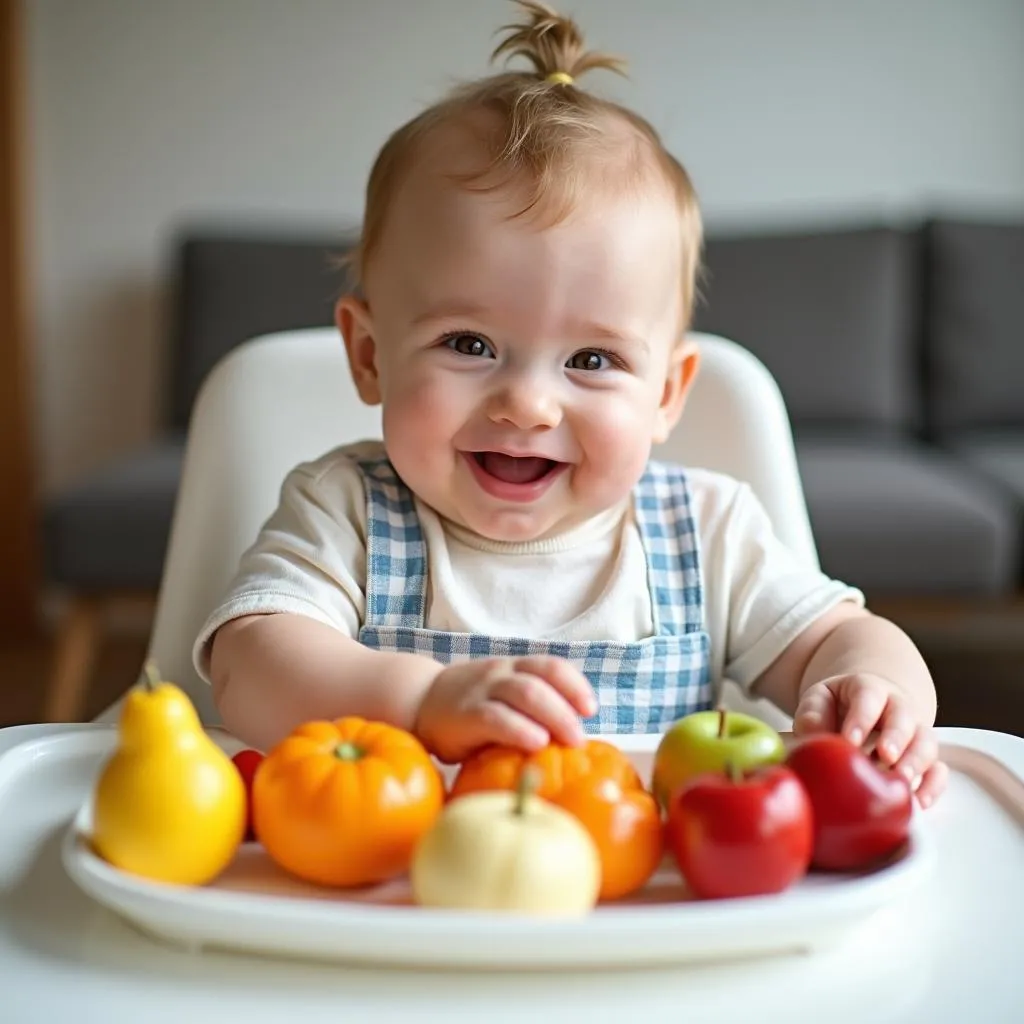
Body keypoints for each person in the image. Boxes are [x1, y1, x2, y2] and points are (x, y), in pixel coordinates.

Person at [193, 0, 946, 806]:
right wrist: (417, 705)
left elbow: (838, 635)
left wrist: (876, 689)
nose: (527, 405)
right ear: (370, 354)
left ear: (665, 395)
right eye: (468, 344)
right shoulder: (347, 512)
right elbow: (251, 661)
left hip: (643, 907)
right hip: (401, 897)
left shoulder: (707, 535)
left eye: (592, 359)